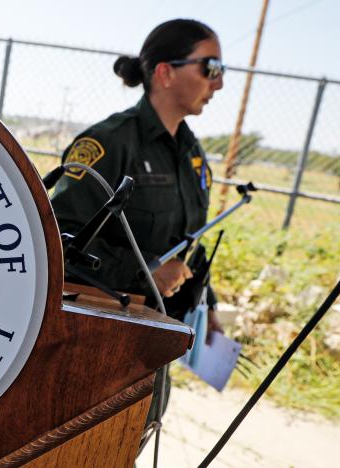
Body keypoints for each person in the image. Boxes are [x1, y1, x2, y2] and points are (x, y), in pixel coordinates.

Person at [50, 18, 225, 425]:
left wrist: (208, 303)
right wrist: (144, 269)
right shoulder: (110, 143)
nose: (218, 84)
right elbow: (58, 239)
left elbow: (186, 241)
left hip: (157, 337)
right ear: (165, 72)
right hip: (101, 341)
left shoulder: (190, 151)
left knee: (142, 431)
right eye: (211, 68)